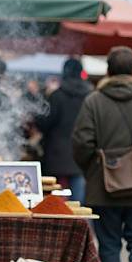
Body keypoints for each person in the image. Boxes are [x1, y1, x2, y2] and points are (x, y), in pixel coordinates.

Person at [72, 46, 132, 262]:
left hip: (103, 186)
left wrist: (95, 169)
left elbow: (81, 143)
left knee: (109, 244)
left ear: (108, 70)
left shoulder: (94, 100)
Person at [36, 58, 91, 201]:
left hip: (56, 155)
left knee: (56, 205)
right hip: (81, 154)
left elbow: (45, 123)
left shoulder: (57, 96)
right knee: (78, 205)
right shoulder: (90, 96)